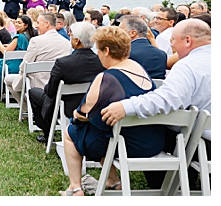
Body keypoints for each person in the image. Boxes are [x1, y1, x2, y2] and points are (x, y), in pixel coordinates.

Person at [100, 19, 211, 190]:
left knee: (150, 134)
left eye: (173, 40)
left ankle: (168, 185)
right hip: (204, 141)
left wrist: (126, 106)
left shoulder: (188, 66)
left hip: (204, 144)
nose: (171, 46)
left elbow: (167, 100)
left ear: (188, 40)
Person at [60, 26, 162, 196]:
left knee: (71, 132)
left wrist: (75, 116)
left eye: (98, 50)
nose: (97, 55)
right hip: (150, 141)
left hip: (124, 144)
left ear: (106, 51)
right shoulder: (140, 69)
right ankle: (113, 181)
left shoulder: (106, 78)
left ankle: (75, 187)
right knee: (104, 125)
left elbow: (84, 113)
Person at [28, 22, 106, 144]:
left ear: (77, 41)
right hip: (93, 105)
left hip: (66, 106)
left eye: (71, 36)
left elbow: (50, 91)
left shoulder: (63, 63)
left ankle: (47, 133)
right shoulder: (101, 62)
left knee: (34, 92)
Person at [4, 13, 71, 104]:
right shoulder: (66, 43)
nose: (36, 26)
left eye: (38, 23)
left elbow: (24, 66)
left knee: (8, 79)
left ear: (47, 24)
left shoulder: (36, 41)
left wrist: (22, 73)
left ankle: (27, 108)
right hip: (58, 84)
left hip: (37, 83)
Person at [0, 15, 35, 102]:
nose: (16, 24)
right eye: (16, 22)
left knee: (0, 61)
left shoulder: (19, 37)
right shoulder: (30, 36)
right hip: (26, 64)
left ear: (26, 25)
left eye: (19, 23)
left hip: (16, 65)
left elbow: (5, 52)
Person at [118, 15, 167, 80]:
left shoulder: (125, 53)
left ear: (132, 33)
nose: (117, 33)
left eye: (120, 30)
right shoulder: (162, 54)